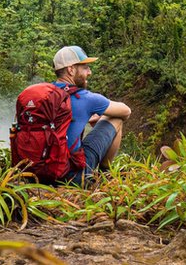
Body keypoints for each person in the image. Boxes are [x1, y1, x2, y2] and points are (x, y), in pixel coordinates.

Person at [52, 45, 131, 186]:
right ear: (71, 69)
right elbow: (126, 111)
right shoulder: (85, 98)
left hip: (40, 172)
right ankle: (105, 174)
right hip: (72, 177)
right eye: (85, 67)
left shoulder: (44, 95)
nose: (89, 72)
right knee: (115, 118)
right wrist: (101, 117)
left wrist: (84, 117)